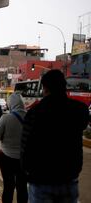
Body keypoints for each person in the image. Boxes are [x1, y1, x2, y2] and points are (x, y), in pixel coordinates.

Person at [21, 70, 89, 203]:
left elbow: (25, 147)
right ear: (64, 86)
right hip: (69, 178)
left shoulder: (34, 113)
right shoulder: (80, 109)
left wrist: (27, 172)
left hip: (40, 180)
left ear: (44, 87)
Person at [0, 93, 28, 203]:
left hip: (7, 157)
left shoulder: (6, 118)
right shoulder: (31, 117)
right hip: (25, 158)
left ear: (11, 104)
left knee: (8, 186)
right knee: (22, 187)